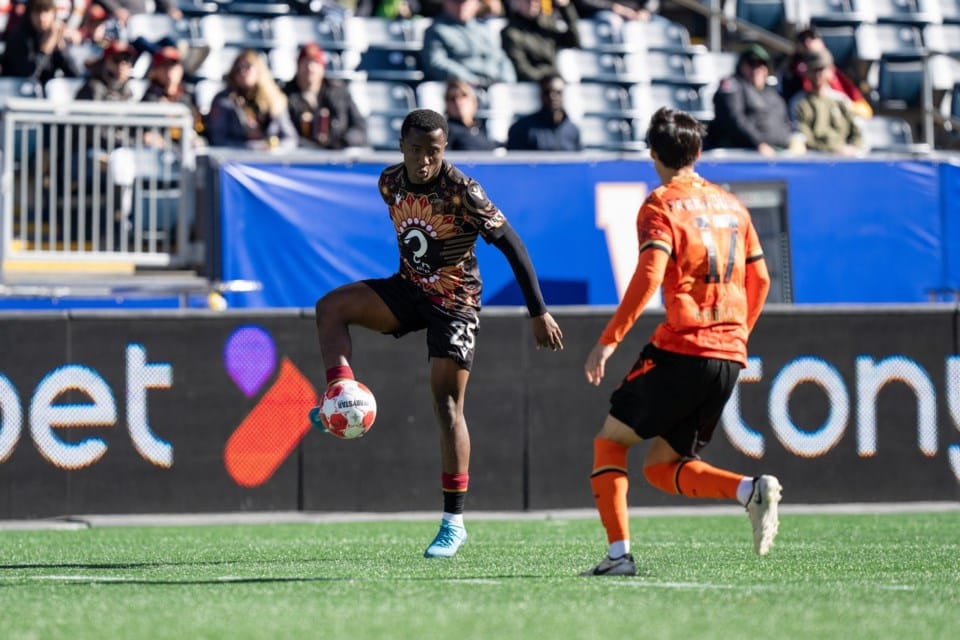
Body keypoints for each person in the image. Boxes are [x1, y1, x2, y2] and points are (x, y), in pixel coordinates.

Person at [310, 108, 564, 559]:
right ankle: (339, 392)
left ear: (444, 149)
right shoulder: (389, 183)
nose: (425, 160)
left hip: (455, 304)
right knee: (331, 307)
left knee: (447, 406)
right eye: (416, 150)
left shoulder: (464, 191)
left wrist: (538, 312)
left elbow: (513, 245)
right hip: (410, 290)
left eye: (434, 151)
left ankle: (454, 523)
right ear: (402, 148)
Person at [580, 106, 781, 577]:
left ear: (653, 154)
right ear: (698, 150)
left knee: (609, 444)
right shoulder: (733, 204)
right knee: (662, 465)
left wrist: (609, 340)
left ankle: (618, 557)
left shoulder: (660, 204)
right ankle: (748, 490)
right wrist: (736, 336)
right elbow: (763, 280)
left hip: (684, 345)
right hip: (730, 353)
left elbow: (650, 274)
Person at [706, 43, 803, 157]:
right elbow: (734, 119)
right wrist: (758, 143)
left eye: (761, 64)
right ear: (741, 65)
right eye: (751, 63)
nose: (757, 69)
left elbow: (785, 122)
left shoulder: (773, 93)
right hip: (743, 155)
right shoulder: (733, 85)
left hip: (778, 153)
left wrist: (793, 139)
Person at [205, 49, 299, 151]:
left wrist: (274, 148)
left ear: (259, 70)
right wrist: (250, 146)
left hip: (270, 161)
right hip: (237, 160)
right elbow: (217, 139)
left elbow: (290, 138)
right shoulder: (224, 100)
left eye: (247, 67)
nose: (242, 72)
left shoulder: (274, 100)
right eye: (238, 69)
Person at [283, 42, 368, 150]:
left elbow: (360, 128)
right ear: (298, 65)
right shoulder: (284, 95)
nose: (310, 68)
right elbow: (283, 133)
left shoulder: (339, 92)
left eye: (315, 63)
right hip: (299, 158)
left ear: (323, 67)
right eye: (306, 62)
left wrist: (340, 143)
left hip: (338, 157)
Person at [779, 27, 872, 120]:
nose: (808, 42)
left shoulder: (828, 65)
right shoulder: (793, 71)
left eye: (812, 37)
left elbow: (859, 102)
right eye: (803, 40)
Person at [421, 0, 517, 88]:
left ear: (476, 4)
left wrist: (507, 81)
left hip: (496, 87)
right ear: (446, 3)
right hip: (463, 90)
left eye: (466, 2)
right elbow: (437, 63)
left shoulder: (485, 30)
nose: (462, 6)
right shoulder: (436, 30)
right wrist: (471, 80)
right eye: (456, 2)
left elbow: (502, 58)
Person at [790, 49, 864, 157]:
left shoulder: (841, 101)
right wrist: (831, 150)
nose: (818, 74)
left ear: (831, 71)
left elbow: (858, 133)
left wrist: (853, 148)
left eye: (821, 69)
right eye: (814, 70)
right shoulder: (800, 102)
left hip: (843, 158)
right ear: (807, 72)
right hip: (813, 158)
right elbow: (801, 134)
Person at [0, 0, 81, 90]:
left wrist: (61, 50)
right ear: (29, 14)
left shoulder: (54, 35)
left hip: (48, 98)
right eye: (37, 12)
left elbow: (75, 76)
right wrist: (44, 51)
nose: (42, 18)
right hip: (16, 96)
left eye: (46, 11)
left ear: (53, 14)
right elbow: (28, 79)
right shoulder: (18, 38)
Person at [500, 0, 581, 83]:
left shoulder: (547, 23)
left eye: (537, 1)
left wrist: (565, 7)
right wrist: (548, 79)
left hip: (554, 82)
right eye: (528, 1)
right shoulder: (511, 33)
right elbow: (521, 70)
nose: (533, 4)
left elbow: (573, 41)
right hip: (532, 88)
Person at [141, 45, 204, 146]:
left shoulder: (189, 95)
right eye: (164, 66)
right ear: (155, 70)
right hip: (159, 153)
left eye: (174, 66)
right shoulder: (150, 97)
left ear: (181, 69)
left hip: (185, 150)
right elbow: (144, 132)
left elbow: (199, 127)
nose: (169, 72)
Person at [506, 73, 582, 151]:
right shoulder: (521, 129)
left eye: (558, 92)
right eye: (547, 92)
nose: (552, 96)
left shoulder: (573, 130)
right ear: (540, 94)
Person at [444, 78, 499, 150]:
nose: (458, 102)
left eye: (464, 95)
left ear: (474, 101)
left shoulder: (482, 127)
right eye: (452, 98)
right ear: (446, 104)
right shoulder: (446, 132)